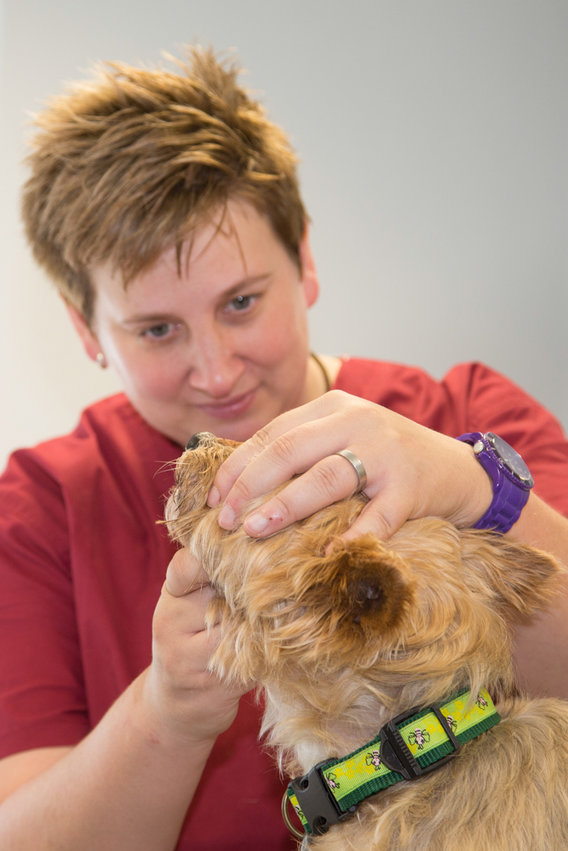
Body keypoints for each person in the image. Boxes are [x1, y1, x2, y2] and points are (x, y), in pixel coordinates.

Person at [0, 46, 566, 850]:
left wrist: (479, 491)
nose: (216, 370)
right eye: (157, 328)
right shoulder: (43, 511)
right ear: (85, 328)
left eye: (241, 302)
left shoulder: (466, 416)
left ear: (303, 255)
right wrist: (168, 714)